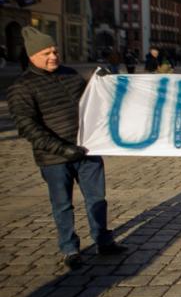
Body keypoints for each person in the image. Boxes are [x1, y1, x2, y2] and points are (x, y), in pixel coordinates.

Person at [8, 27, 127, 269]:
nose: (53, 56)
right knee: (62, 204)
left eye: (55, 51)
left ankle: (103, 240)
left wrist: (103, 82)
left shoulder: (71, 75)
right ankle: (70, 248)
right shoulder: (22, 87)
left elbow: (93, 103)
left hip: (86, 151)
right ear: (32, 56)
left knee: (97, 198)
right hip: (54, 158)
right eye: (46, 53)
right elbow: (28, 127)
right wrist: (63, 149)